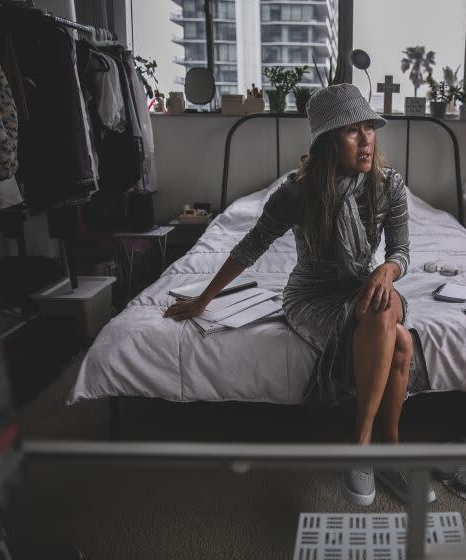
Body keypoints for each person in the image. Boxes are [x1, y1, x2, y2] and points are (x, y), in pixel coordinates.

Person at [163, 83, 431, 506]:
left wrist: (387, 268)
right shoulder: (297, 192)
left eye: (369, 128)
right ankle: (378, 451)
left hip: (366, 283)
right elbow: (250, 247)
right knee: (399, 340)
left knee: (381, 307)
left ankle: (369, 450)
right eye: (351, 132)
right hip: (314, 294)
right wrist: (203, 301)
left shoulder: (388, 185)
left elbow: (401, 250)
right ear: (327, 141)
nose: (366, 140)